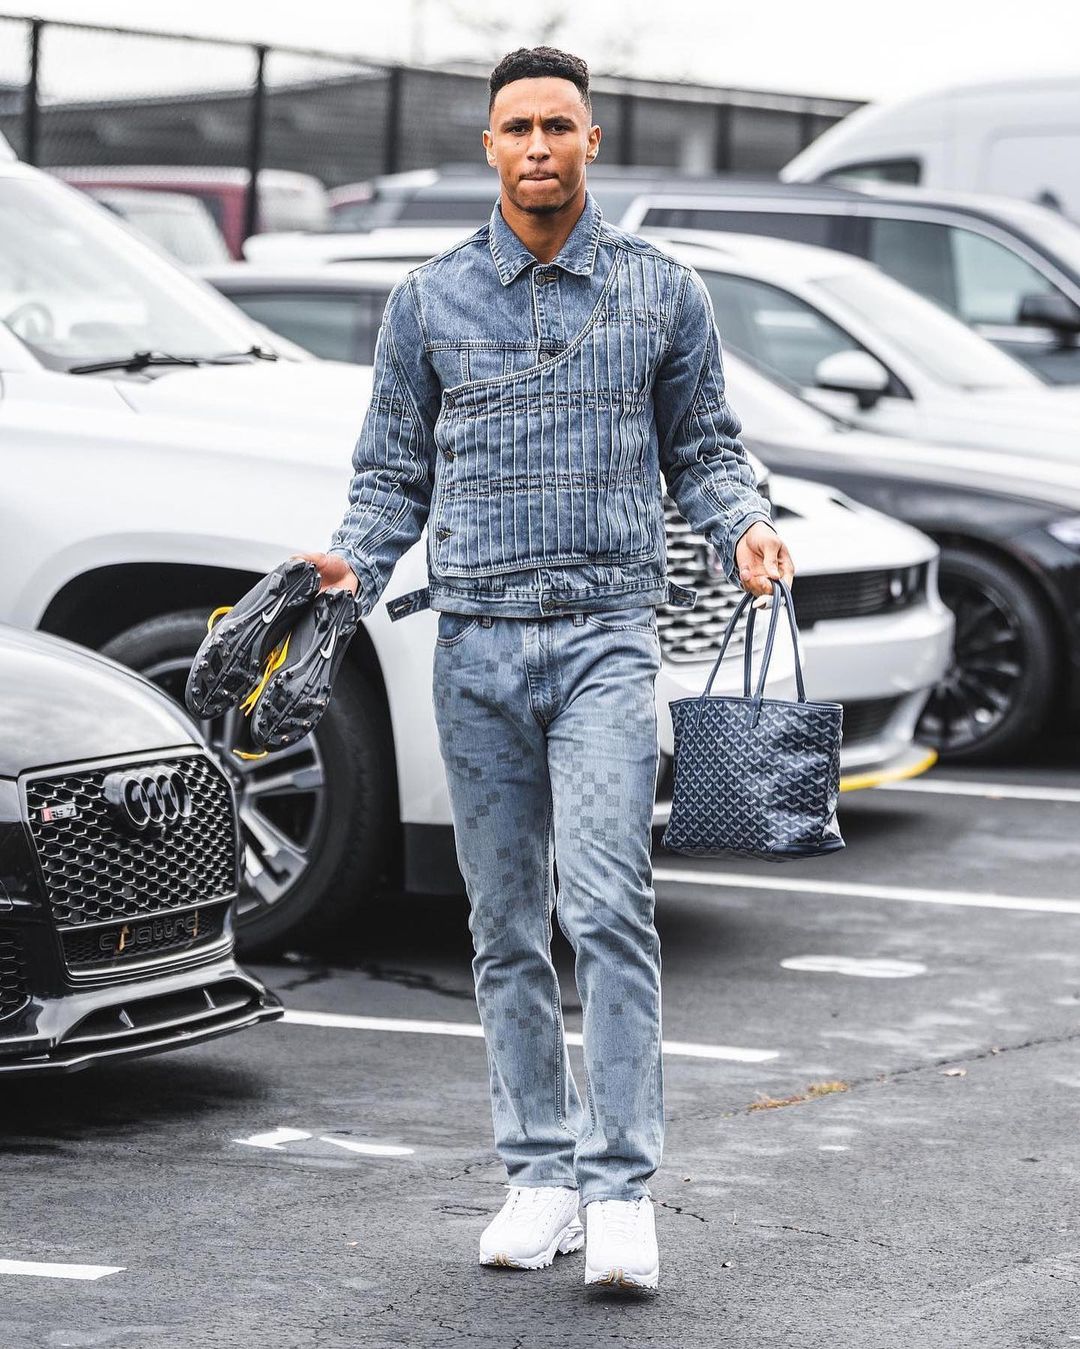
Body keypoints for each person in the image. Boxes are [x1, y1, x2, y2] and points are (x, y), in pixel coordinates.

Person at [293, 45, 794, 1291]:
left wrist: (744, 524)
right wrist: (355, 559)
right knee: (503, 921)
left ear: (591, 142)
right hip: (474, 645)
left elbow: (705, 447)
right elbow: (390, 472)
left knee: (609, 908)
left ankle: (620, 1190)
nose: (536, 146)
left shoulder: (662, 291)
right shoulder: (428, 300)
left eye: (557, 126)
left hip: (607, 641)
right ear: (489, 146)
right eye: (515, 126)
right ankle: (539, 1176)